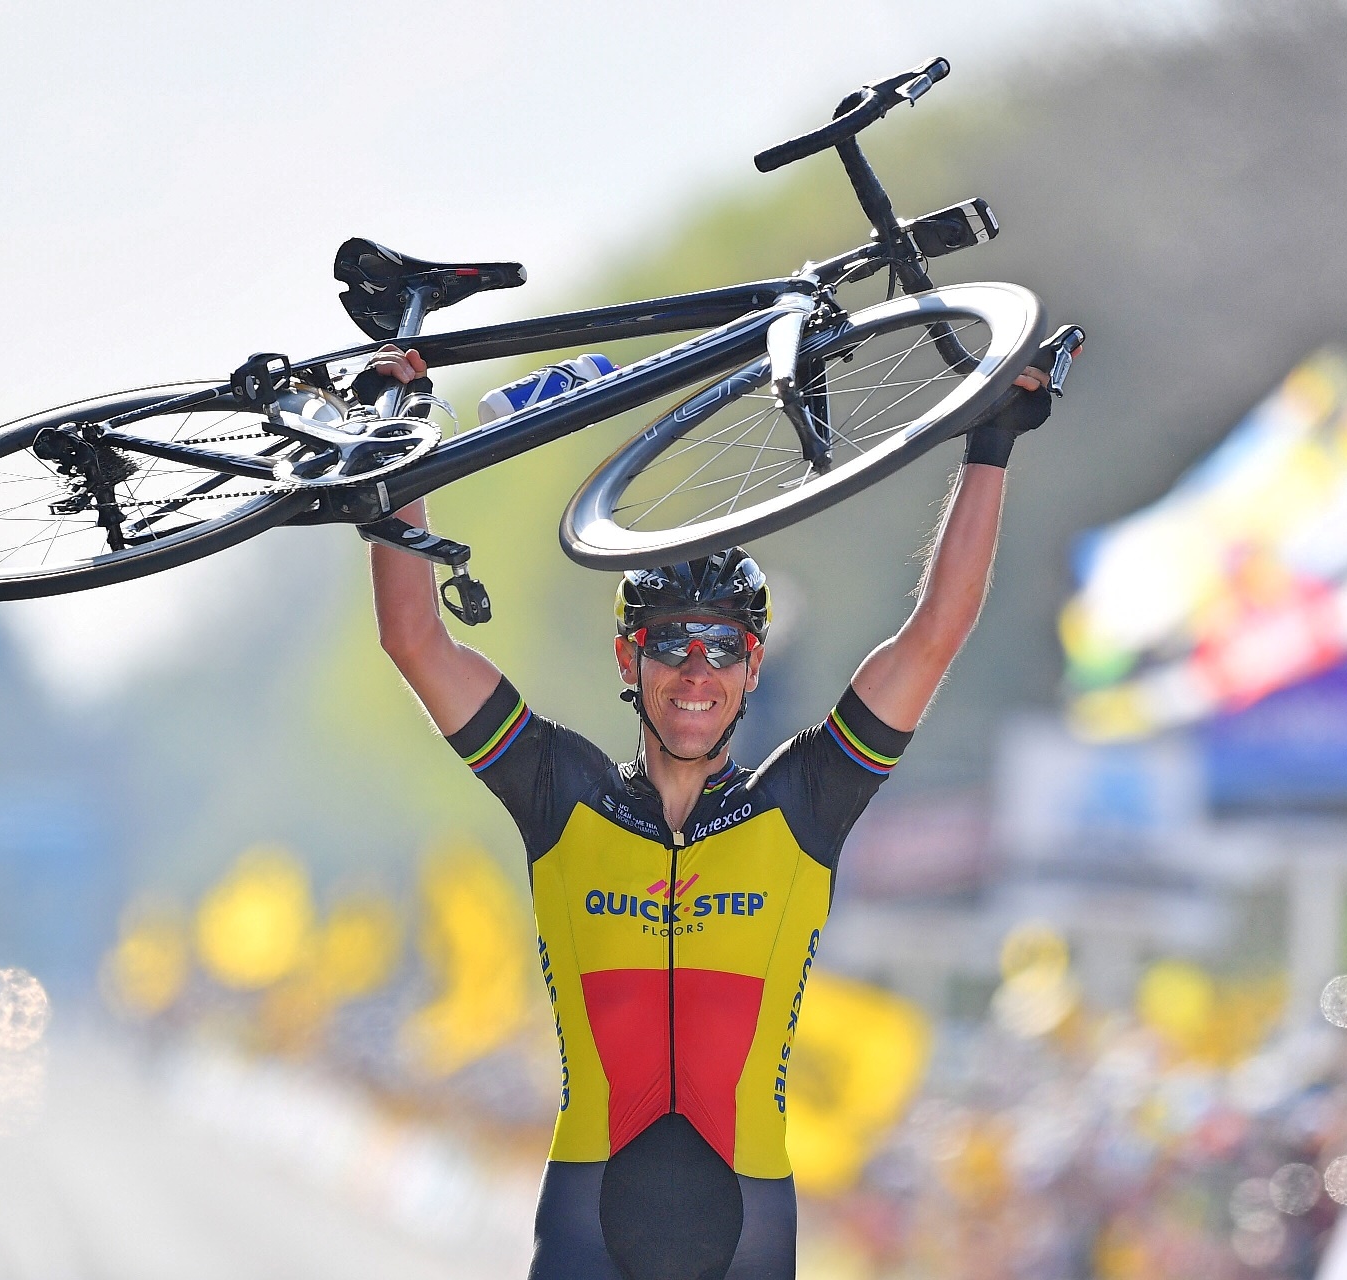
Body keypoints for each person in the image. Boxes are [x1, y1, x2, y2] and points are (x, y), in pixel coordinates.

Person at [367, 343, 1061, 1280]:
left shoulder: (805, 802)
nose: (698, 672)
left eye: (723, 648)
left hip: (743, 1224)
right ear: (629, 663)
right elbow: (415, 639)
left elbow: (936, 630)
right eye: (671, 646)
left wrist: (991, 447)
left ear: (754, 667)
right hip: (589, 1219)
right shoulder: (561, 793)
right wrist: (395, 449)